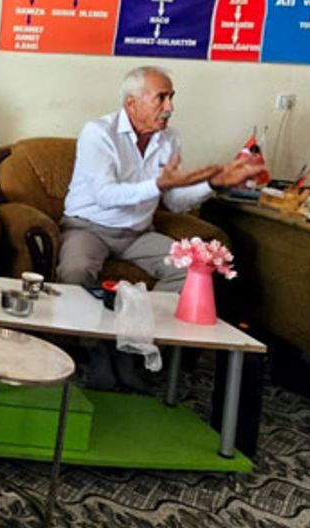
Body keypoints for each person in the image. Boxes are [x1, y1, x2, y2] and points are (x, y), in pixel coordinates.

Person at [59, 65, 261, 389]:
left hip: (138, 233)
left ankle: (133, 347)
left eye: (171, 97)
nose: (170, 107)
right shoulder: (98, 133)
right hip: (89, 227)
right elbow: (105, 195)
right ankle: (96, 351)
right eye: (161, 98)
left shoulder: (170, 138)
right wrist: (157, 185)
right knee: (75, 270)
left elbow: (176, 201)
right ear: (132, 103)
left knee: (191, 268)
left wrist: (214, 184)